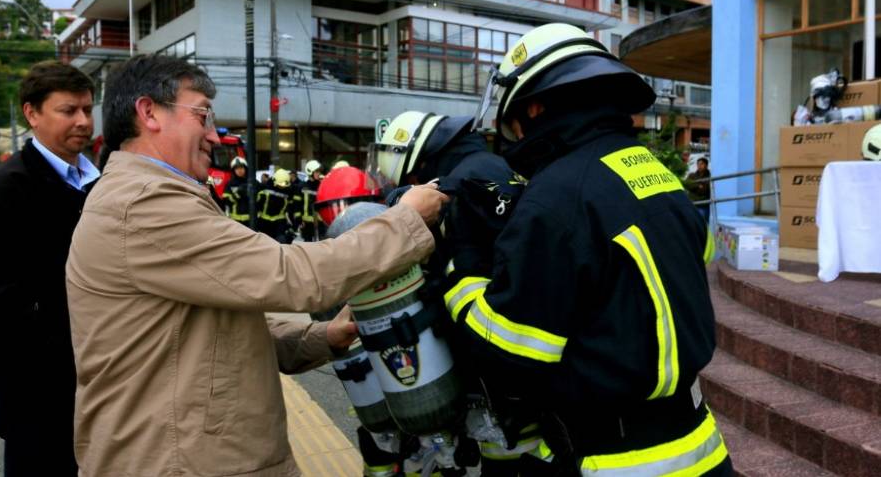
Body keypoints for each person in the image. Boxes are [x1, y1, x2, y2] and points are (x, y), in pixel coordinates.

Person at [65, 54, 447, 477]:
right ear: (149, 111)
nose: (213, 134)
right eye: (202, 116)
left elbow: (217, 331)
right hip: (178, 462)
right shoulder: (143, 204)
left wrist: (326, 337)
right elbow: (293, 275)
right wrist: (407, 220)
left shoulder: (152, 194)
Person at [442, 24, 728, 476]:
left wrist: (464, 266)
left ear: (534, 108)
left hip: (614, 459)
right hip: (701, 444)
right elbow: (697, 251)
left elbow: (514, 354)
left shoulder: (555, 197)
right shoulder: (656, 173)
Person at [368, 111, 533, 475]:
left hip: (496, 364)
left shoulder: (457, 187)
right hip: (529, 352)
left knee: (505, 457)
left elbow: (465, 270)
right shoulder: (490, 165)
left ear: (411, 159)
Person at [0, 61, 98, 476]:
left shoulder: (100, 182)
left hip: (100, 380)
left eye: (88, 109)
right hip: (35, 394)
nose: (83, 122)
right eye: (68, 110)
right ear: (31, 113)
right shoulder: (5, 189)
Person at [257, 168, 294, 243]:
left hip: (279, 225)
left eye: (284, 185)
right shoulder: (264, 190)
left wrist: (291, 226)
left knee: (282, 243)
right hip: (264, 224)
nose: (282, 187)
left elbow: (290, 208)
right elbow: (257, 206)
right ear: (275, 182)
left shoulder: (288, 192)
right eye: (280, 185)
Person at [223, 155, 256, 226]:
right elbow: (226, 200)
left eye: (241, 167)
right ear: (233, 170)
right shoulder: (230, 184)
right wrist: (238, 194)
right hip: (236, 220)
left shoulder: (252, 182)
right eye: (236, 168)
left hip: (251, 219)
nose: (239, 170)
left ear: (245, 168)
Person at [300, 159, 326, 241]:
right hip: (307, 223)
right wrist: (299, 220)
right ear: (310, 172)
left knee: (322, 244)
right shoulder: (302, 187)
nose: (319, 174)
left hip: (320, 222)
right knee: (308, 246)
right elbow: (298, 205)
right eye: (317, 172)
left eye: (319, 172)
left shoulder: (322, 185)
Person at [686, 157, 712, 223]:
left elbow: (704, 190)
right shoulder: (692, 175)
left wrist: (693, 186)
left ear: (706, 165)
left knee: (703, 224)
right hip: (692, 205)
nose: (699, 166)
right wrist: (698, 185)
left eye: (701, 164)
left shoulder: (709, 176)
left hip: (703, 206)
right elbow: (687, 185)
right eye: (698, 164)